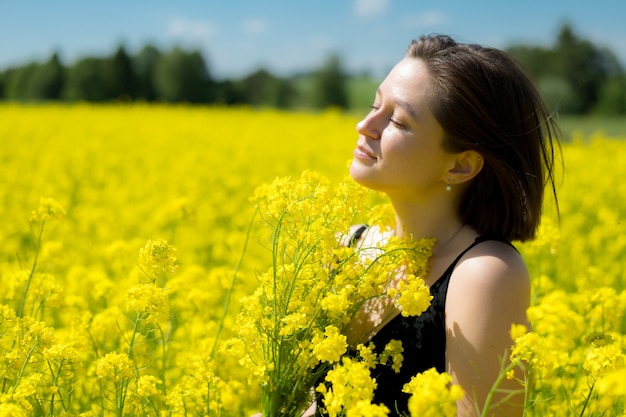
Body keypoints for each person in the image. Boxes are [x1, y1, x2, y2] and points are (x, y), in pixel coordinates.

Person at [316, 34, 560, 416]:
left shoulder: (483, 274)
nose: (366, 125)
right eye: (374, 104)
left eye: (397, 120)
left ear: (459, 165)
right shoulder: (346, 245)